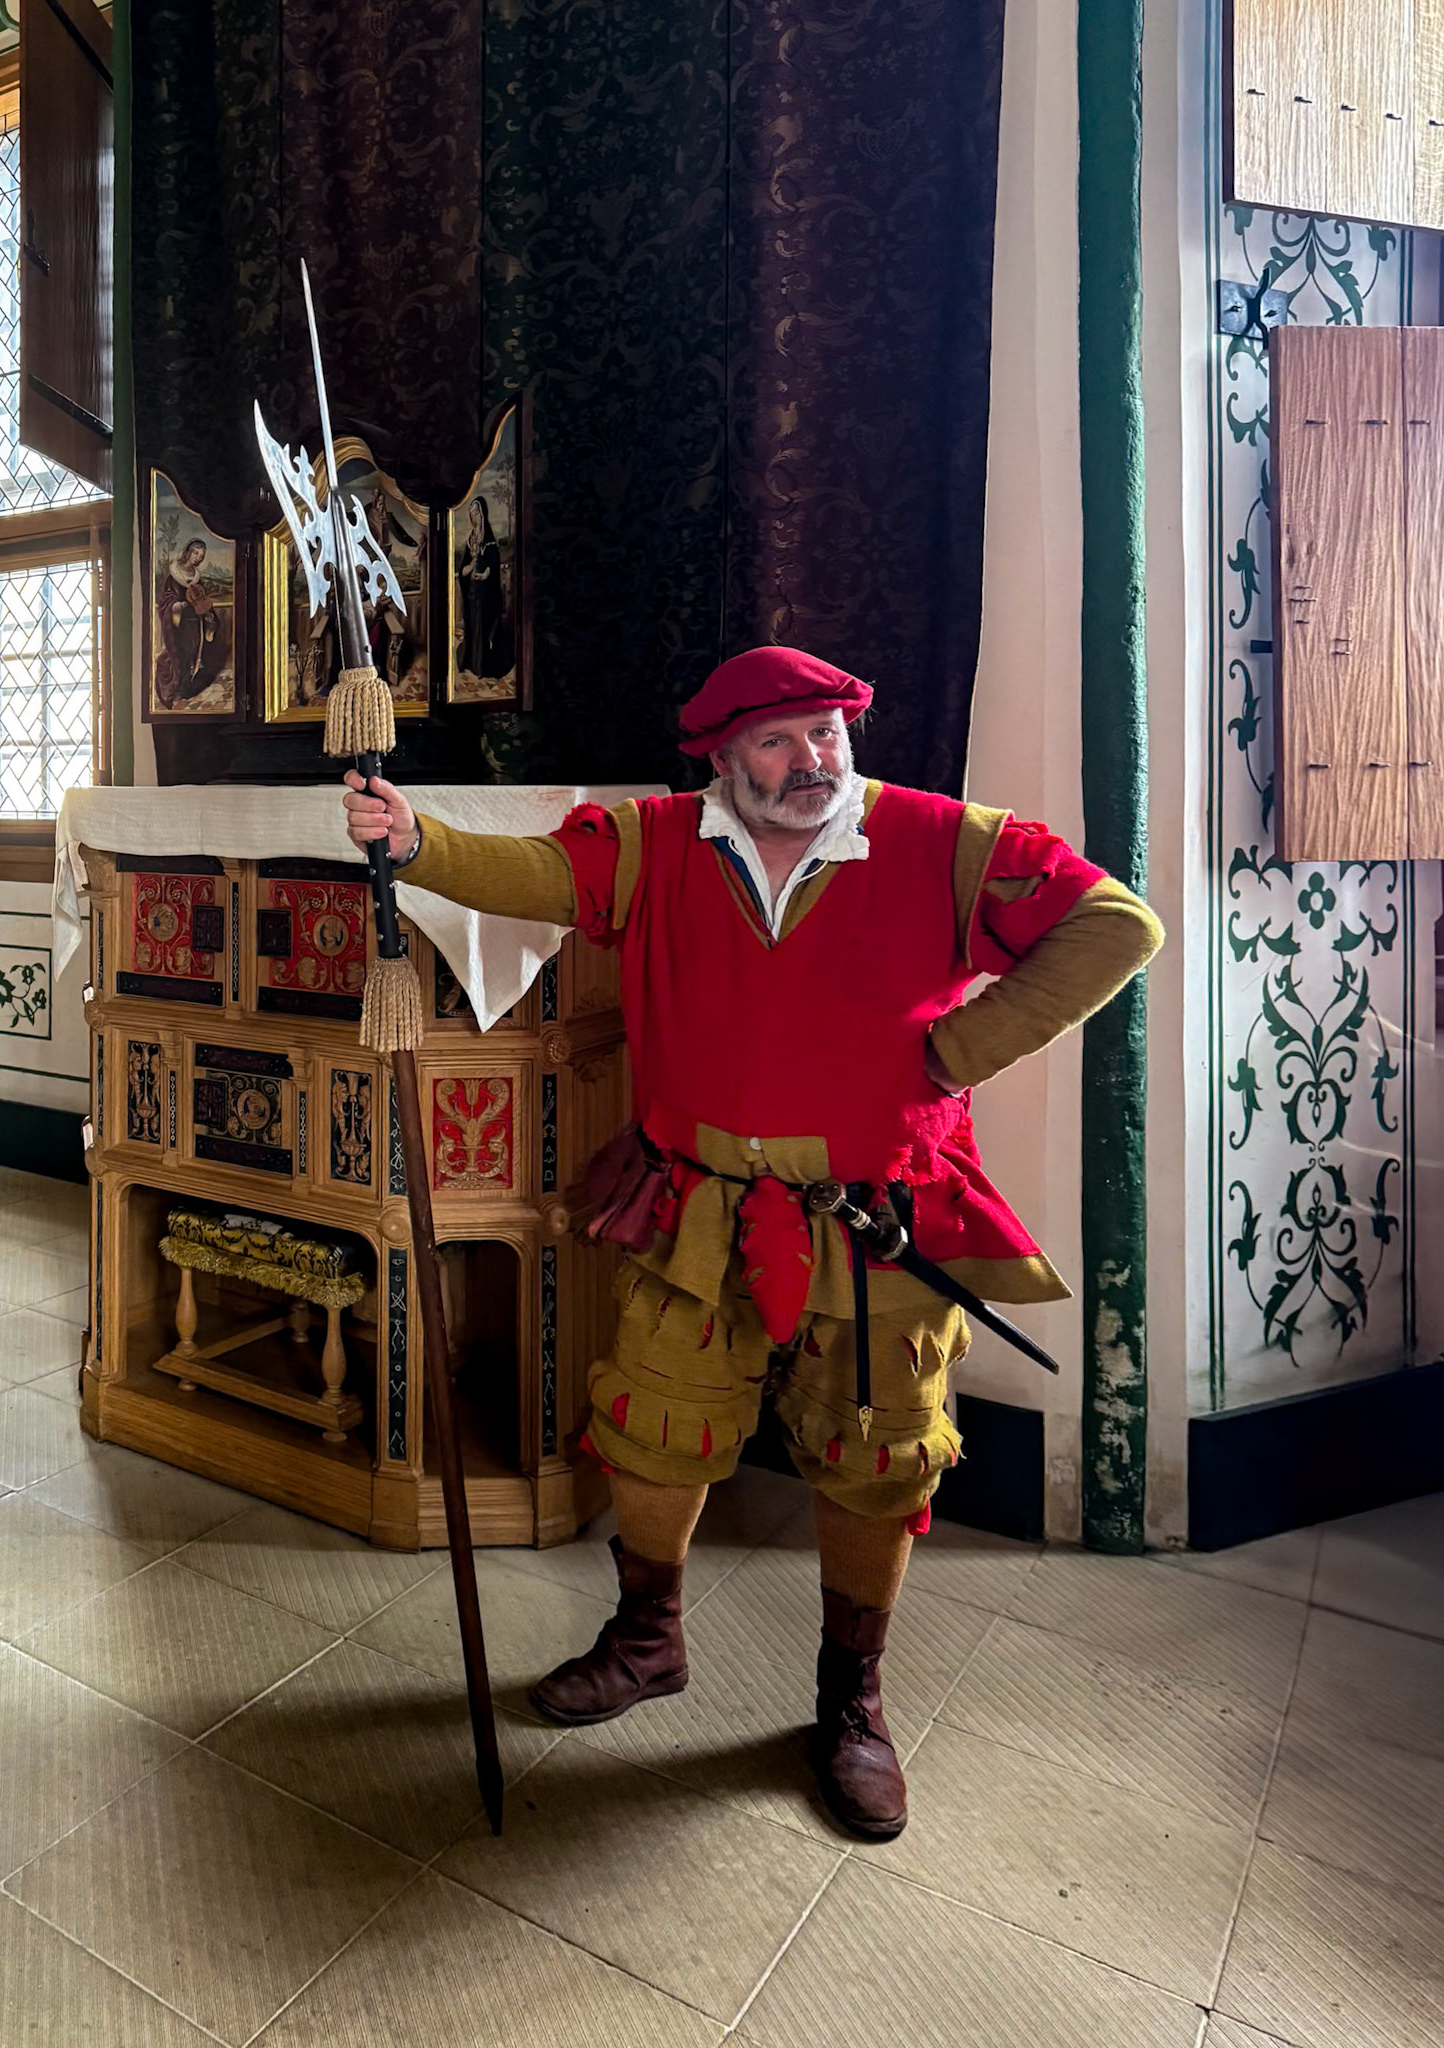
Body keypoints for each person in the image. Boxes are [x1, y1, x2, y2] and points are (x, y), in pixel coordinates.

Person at [342, 645, 1163, 1840]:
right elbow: (533, 874)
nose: (809, 759)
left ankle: (851, 1699)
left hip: (876, 1214)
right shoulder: (656, 842)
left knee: (878, 1450)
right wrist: (415, 842)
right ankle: (647, 1636)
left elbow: (1114, 922)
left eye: (826, 732)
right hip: (698, 1200)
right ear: (723, 761)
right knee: (653, 1424)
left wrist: (961, 1051)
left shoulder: (942, 838)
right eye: (776, 741)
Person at [154, 537, 229, 708]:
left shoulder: (196, 578)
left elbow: (201, 600)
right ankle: (174, 689)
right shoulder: (174, 575)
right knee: (178, 655)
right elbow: (165, 600)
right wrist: (175, 605)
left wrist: (209, 616)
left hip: (194, 624)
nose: (197, 557)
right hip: (178, 625)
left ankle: (185, 690)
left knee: (192, 655)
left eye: (201, 556)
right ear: (188, 552)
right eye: (195, 553)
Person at [456, 495, 510, 681]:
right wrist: (469, 568)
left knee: (483, 627)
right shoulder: (470, 540)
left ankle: (482, 666)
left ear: (482, 514)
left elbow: (493, 564)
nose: (474, 517)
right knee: (472, 626)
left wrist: (485, 574)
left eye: (476, 513)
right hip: (471, 593)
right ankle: (471, 662)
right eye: (471, 514)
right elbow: (462, 570)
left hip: (485, 593)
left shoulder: (488, 538)